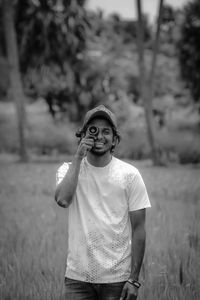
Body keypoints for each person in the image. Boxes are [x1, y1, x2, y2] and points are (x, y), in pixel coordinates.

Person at [55, 105, 151, 300]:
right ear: (82, 135)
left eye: (106, 131)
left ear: (115, 139)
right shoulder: (68, 169)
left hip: (117, 280)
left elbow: (139, 228)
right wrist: (78, 157)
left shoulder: (130, 175)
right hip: (77, 279)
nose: (99, 136)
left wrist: (133, 280)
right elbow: (63, 200)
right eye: (93, 130)